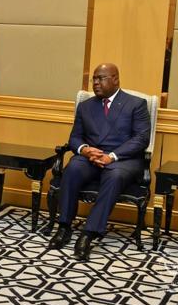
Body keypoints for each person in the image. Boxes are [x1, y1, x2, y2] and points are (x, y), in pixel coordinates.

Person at [48, 63, 151, 261]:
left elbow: (141, 139)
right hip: (91, 158)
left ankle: (89, 233)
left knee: (114, 176)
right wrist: (84, 150)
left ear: (115, 79)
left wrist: (111, 156)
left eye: (101, 78)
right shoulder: (86, 106)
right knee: (73, 168)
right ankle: (64, 226)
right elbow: (74, 138)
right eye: (94, 78)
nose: (96, 83)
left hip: (123, 160)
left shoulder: (136, 104)